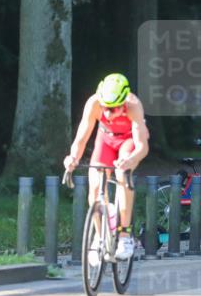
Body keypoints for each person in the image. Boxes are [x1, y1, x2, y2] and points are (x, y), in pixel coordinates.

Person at [63, 73, 150, 261]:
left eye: (114, 108)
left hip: (127, 140)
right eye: (106, 108)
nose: (108, 113)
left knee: (122, 174)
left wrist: (131, 160)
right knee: (94, 185)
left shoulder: (134, 106)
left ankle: (125, 235)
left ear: (124, 102)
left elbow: (142, 146)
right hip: (106, 140)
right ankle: (98, 236)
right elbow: (82, 137)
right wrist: (72, 158)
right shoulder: (94, 103)